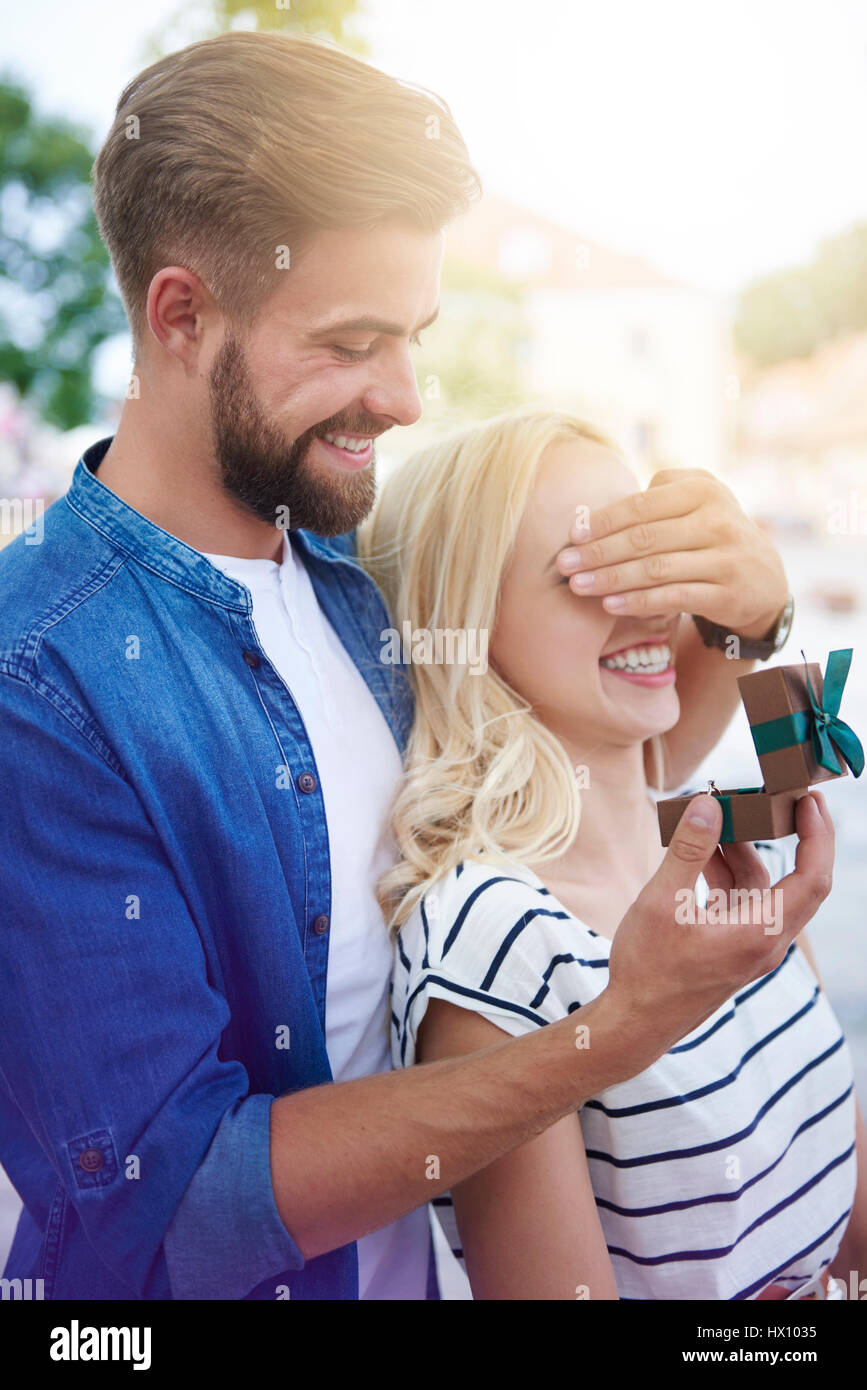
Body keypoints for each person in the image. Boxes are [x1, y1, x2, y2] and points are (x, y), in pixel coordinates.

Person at [0, 32, 834, 1301]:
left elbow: (603, 752)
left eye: (414, 336)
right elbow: (174, 1209)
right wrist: (618, 1029)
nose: (402, 394)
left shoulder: (352, 580)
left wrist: (747, 620)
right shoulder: (40, 682)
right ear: (179, 313)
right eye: (349, 343)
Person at [361, 407, 867, 1300]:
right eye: (584, 572)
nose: (651, 603)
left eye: (654, 560)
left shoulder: (715, 850)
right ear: (465, 624)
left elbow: (840, 1205)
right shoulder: (492, 940)